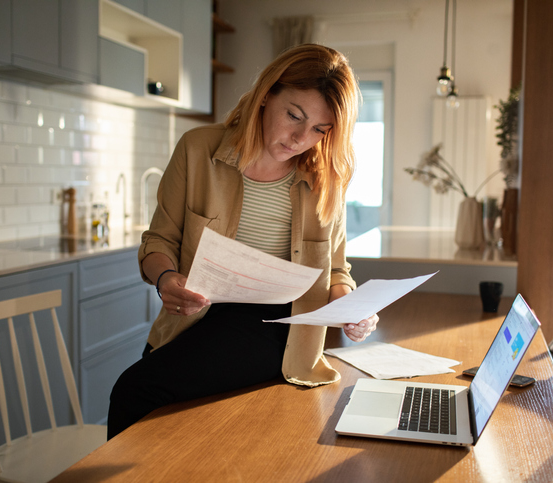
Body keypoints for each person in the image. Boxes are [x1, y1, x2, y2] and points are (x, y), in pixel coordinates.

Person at [107, 43, 379, 439]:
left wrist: (351, 307)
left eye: (320, 130)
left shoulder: (327, 177)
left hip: (276, 326)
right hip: (193, 316)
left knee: (134, 390)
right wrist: (166, 278)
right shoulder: (198, 149)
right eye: (294, 116)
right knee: (149, 398)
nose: (301, 138)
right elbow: (159, 241)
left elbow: (336, 270)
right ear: (267, 94)